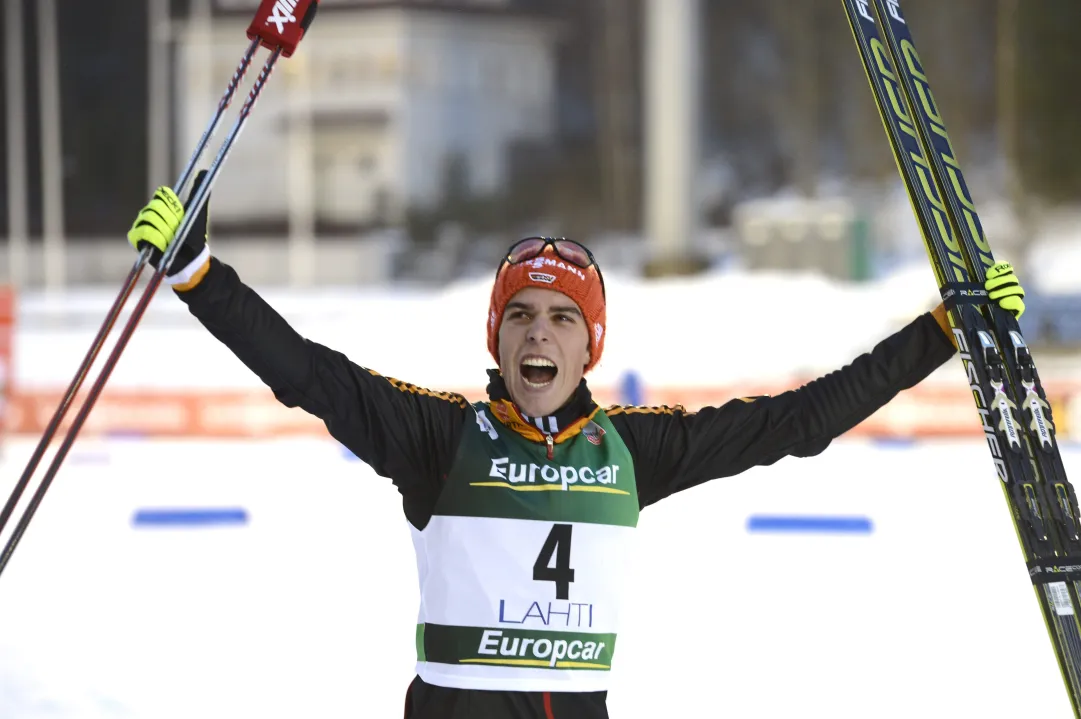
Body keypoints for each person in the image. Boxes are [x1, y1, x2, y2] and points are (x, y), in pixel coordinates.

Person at [127, 180, 1026, 719]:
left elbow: (795, 421)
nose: (538, 333)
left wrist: (939, 332)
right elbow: (308, 373)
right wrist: (198, 275)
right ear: (497, 336)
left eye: (561, 317)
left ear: (588, 344)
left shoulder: (633, 449)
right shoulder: (438, 434)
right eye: (519, 314)